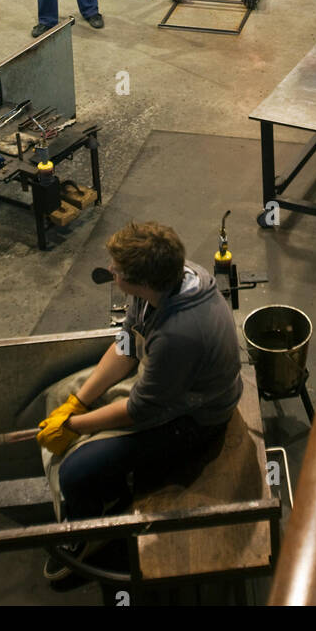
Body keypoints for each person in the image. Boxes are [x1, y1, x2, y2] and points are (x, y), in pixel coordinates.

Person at [36, 221, 242, 578]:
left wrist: (73, 426)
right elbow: (128, 343)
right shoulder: (168, 281)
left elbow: (141, 409)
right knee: (59, 395)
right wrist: (77, 404)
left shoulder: (181, 333)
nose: (111, 273)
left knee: (75, 471)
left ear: (140, 281)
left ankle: (85, 532)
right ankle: (113, 488)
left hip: (194, 417)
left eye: (117, 271)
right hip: (162, 380)